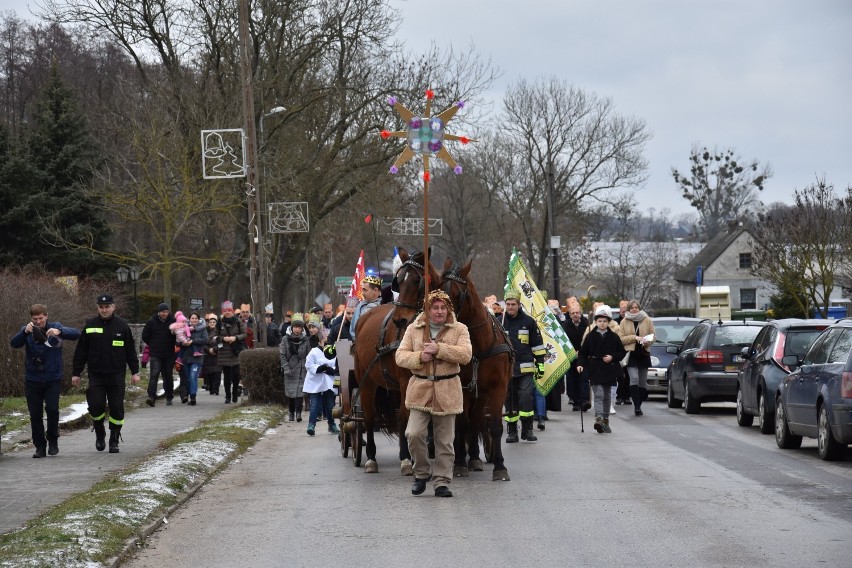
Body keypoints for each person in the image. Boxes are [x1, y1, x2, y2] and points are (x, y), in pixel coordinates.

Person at [395, 289, 471, 498]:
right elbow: (400, 357)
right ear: (427, 310)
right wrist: (420, 357)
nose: (439, 312)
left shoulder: (459, 329)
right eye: (435, 308)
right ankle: (421, 473)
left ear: (449, 309)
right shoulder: (414, 329)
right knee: (413, 433)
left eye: (443, 308)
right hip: (420, 389)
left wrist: (440, 350)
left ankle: (441, 482)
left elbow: (465, 355)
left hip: (448, 389)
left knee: (445, 441)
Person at [71, 294, 140, 453]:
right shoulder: (90, 325)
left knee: (117, 408)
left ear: (113, 307)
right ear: (98, 308)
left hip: (116, 375)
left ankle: (114, 438)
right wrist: (76, 372)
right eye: (101, 307)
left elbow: (130, 351)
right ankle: (99, 431)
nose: (104, 310)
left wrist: (135, 371)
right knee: (96, 406)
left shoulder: (122, 326)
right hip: (96, 374)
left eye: (107, 307)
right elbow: (81, 351)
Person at [10, 303, 81, 458]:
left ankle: (53, 441)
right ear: (31, 318)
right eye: (35, 319)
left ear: (46, 316)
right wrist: (24, 333)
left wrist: (59, 331)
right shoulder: (27, 330)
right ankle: (39, 446)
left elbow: (77, 334)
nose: (38, 322)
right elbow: (14, 344)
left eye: (41, 318)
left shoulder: (55, 327)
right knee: (35, 414)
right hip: (33, 379)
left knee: (52, 410)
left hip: (52, 378)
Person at [501, 290, 546, 443]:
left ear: (519, 305)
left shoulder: (529, 322)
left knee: (526, 397)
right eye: (508, 304)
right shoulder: (500, 322)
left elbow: (537, 345)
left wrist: (540, 364)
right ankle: (512, 431)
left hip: (526, 368)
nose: (510, 307)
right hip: (506, 369)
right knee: (510, 400)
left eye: (513, 304)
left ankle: (527, 429)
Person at [576, 305, 627, 434]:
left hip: (609, 369)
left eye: (605, 321)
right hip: (595, 368)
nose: (602, 323)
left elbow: (621, 352)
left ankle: (605, 420)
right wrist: (580, 364)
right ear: (596, 322)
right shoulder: (590, 336)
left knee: (607, 395)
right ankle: (598, 418)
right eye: (599, 321)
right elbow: (583, 352)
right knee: (598, 394)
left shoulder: (614, 337)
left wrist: (612, 357)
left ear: (608, 322)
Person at [618, 299, 656, 416]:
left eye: (636, 307)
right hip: (631, 354)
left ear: (639, 308)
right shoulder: (624, 321)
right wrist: (635, 337)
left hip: (643, 353)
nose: (634, 309)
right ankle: (637, 406)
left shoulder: (647, 319)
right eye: (632, 308)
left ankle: (639, 402)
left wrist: (646, 341)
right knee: (633, 378)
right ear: (629, 309)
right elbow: (621, 339)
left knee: (642, 381)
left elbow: (654, 337)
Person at [141, 302, 177, 406]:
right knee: (154, 375)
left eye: (166, 312)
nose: (164, 314)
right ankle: (151, 397)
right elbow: (145, 336)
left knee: (168, 375)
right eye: (162, 312)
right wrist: (152, 344)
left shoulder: (173, 321)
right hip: (155, 353)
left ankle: (169, 396)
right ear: (158, 312)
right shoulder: (151, 322)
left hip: (169, 353)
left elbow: (178, 334)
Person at [303, 340, 341, 436]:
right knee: (315, 403)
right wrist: (320, 368)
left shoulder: (333, 353)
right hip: (316, 382)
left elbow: (337, 366)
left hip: (328, 382)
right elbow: (309, 365)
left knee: (329, 405)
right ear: (319, 342)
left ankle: (331, 424)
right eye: (324, 342)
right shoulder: (314, 352)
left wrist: (331, 370)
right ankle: (311, 425)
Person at [213, 301, 246, 404]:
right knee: (227, 376)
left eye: (229, 311)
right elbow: (214, 337)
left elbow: (244, 334)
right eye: (225, 311)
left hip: (236, 351)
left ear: (232, 311)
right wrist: (224, 338)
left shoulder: (238, 321)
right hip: (224, 352)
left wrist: (235, 338)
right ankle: (227, 396)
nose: (227, 312)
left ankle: (235, 392)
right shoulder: (219, 323)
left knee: (236, 375)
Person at [280, 317, 309, 421]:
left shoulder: (305, 339)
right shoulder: (285, 339)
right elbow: (282, 356)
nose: (297, 329)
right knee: (291, 393)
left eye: (299, 327)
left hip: (301, 369)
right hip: (290, 370)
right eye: (295, 327)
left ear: (302, 329)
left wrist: (306, 367)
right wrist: (286, 368)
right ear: (292, 328)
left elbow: (308, 354)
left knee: (300, 393)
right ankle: (291, 412)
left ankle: (298, 414)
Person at [563, 303, 590, 412]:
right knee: (572, 379)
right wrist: (571, 351)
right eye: (573, 313)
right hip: (570, 355)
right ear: (569, 314)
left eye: (577, 312)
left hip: (583, 355)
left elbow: (589, 339)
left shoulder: (587, 324)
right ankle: (575, 401)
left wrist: (582, 351)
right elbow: (563, 340)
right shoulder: (565, 325)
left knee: (583, 378)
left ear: (581, 313)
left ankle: (584, 401)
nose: (575, 315)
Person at [180, 313, 207, 405]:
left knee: (193, 376)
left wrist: (193, 341)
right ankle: (188, 394)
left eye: (196, 318)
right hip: (186, 356)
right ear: (189, 319)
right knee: (188, 378)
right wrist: (184, 342)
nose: (194, 320)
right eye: (192, 318)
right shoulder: (184, 328)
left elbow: (205, 340)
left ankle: (193, 397)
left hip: (197, 356)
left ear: (199, 320)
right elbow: (178, 340)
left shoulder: (202, 329)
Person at [350, 274, 383, 340]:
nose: (362, 293)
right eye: (362, 290)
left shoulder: (384, 305)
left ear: (375, 290)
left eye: (365, 290)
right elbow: (353, 330)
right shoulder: (360, 306)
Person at [202, 314, 222, 395]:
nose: (212, 323)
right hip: (208, 355)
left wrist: (215, 349)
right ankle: (210, 388)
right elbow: (202, 343)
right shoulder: (204, 332)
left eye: (214, 322)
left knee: (217, 373)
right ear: (208, 323)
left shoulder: (220, 332)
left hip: (217, 355)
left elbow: (222, 343)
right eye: (211, 322)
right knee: (209, 373)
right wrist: (208, 349)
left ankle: (216, 388)